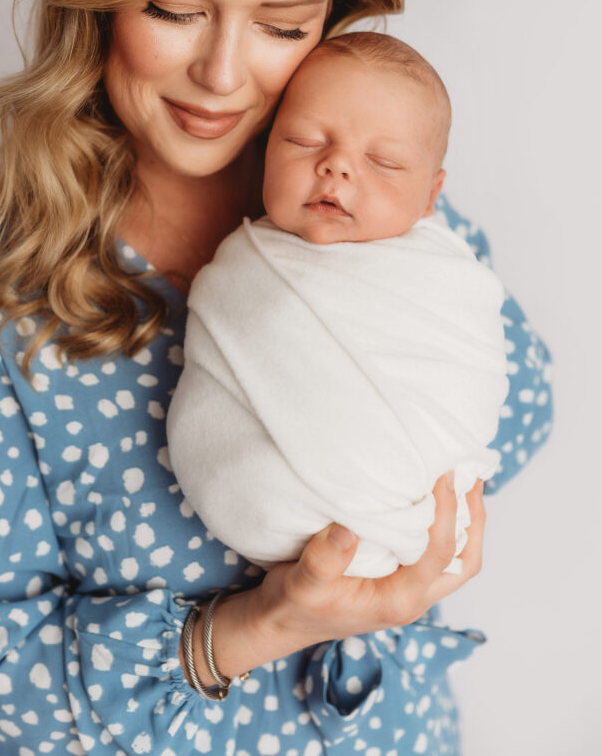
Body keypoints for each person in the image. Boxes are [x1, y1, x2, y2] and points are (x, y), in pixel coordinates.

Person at [0, 0, 552, 754]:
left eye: (281, 24)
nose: (220, 73)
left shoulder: (384, 218)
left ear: (334, 16)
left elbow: (515, 413)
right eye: (173, 8)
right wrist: (261, 625)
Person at [168, 31, 509, 579]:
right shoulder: (247, 261)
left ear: (430, 196)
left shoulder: (446, 272)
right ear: (265, 148)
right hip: (253, 503)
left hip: (405, 519)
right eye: (304, 141)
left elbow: (469, 378)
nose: (337, 167)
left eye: (383, 161)